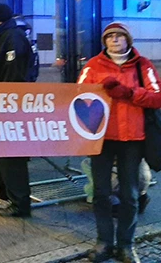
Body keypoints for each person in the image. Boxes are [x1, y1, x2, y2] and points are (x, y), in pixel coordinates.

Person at [77, 22, 161, 263]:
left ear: (128, 40)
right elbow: (77, 96)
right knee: (101, 193)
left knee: (130, 195)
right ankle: (104, 242)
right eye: (109, 36)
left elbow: (156, 98)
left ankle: (126, 244)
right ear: (104, 42)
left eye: (119, 36)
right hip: (101, 138)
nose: (114, 40)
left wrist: (129, 93)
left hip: (132, 139)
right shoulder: (93, 65)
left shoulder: (143, 65)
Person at [0, 3, 33, 218]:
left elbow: (14, 74)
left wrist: (7, 102)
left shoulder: (12, 38)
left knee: (12, 156)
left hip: (8, 107)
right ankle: (5, 191)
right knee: (1, 153)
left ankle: (19, 202)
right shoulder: (4, 37)